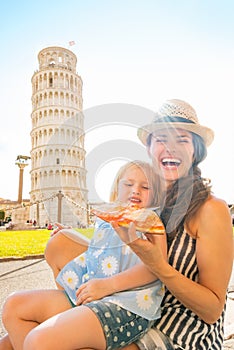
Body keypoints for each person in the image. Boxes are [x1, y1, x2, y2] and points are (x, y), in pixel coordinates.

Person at [0, 160, 167, 350]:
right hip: (94, 297)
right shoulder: (110, 217)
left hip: (127, 307)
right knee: (14, 307)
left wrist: (108, 286)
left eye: (145, 187)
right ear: (116, 188)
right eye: (128, 184)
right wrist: (68, 234)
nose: (135, 190)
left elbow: (156, 268)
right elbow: (104, 250)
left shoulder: (150, 220)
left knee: (38, 340)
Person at [114, 99, 233, 349]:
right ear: (149, 149)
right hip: (137, 314)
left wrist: (159, 266)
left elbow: (212, 310)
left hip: (183, 334)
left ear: (195, 151)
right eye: (161, 140)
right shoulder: (150, 202)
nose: (170, 148)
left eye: (182, 140)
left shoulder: (211, 209)